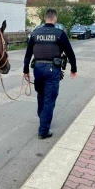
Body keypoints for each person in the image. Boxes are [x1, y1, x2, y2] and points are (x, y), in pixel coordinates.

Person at [23, 8, 77, 139]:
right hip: (52, 69)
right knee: (49, 99)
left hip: (38, 68)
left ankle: (43, 119)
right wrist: (73, 69)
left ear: (45, 18)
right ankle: (43, 130)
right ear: (54, 19)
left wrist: (25, 70)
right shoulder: (59, 34)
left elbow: (28, 53)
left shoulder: (35, 33)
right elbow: (70, 53)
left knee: (41, 95)